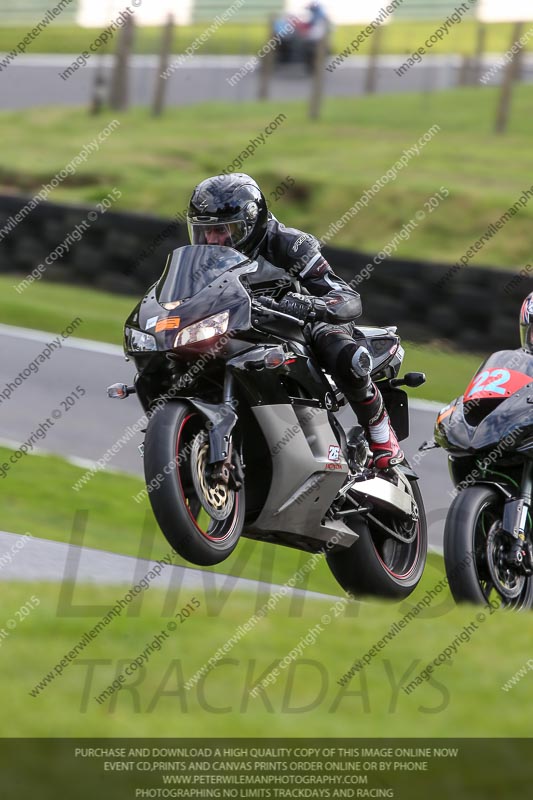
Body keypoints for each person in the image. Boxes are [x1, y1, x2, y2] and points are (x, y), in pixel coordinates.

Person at [186, 173, 403, 470]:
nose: (213, 240)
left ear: (251, 223)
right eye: (205, 231)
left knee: (341, 352)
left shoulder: (289, 244)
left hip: (302, 323)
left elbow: (346, 296)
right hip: (244, 326)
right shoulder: (202, 259)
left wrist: (311, 304)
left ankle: (382, 437)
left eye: (224, 230)